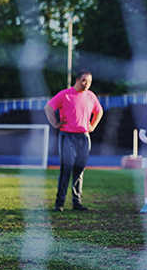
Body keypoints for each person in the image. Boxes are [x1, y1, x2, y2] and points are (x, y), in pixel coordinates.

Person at [45, 70, 104, 212]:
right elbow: (48, 107)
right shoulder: (65, 94)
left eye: (89, 81)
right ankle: (59, 203)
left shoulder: (90, 96)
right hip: (67, 136)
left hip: (84, 137)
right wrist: (55, 123)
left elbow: (99, 111)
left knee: (79, 170)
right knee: (67, 169)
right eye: (84, 80)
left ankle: (77, 202)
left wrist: (93, 125)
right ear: (77, 80)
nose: (86, 84)